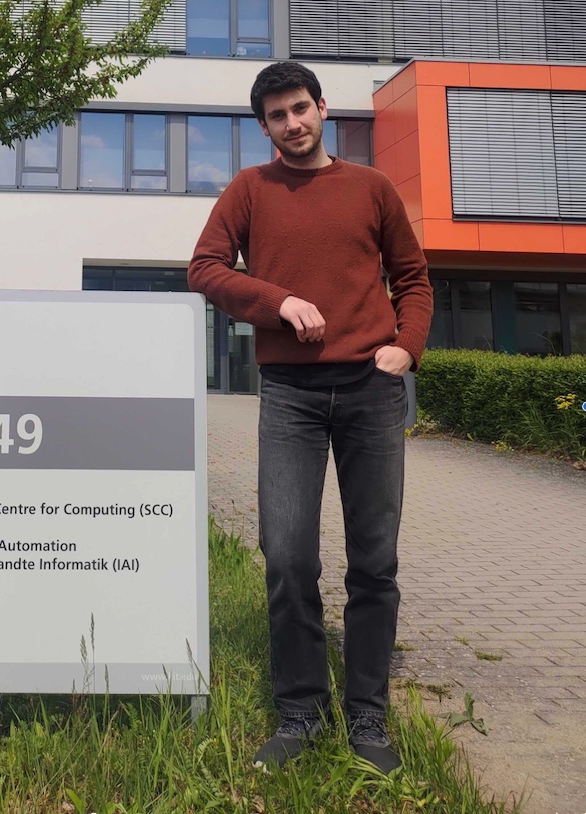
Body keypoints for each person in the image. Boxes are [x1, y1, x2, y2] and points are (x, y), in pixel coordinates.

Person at [188, 62, 433, 775]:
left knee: (374, 563)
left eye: (300, 109)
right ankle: (300, 711)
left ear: (322, 108)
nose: (291, 124)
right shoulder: (249, 190)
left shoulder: (371, 188)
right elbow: (204, 267)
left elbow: (413, 279)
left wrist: (405, 350)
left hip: (370, 389)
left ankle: (367, 718)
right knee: (288, 556)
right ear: (263, 126)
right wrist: (276, 301)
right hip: (290, 395)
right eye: (276, 116)